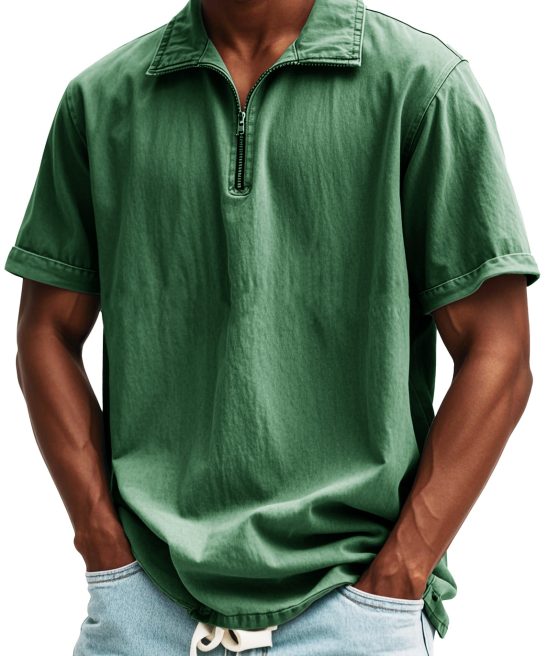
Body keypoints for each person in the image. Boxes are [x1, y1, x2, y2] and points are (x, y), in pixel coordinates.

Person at [4, 0, 541, 654]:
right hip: (147, 610)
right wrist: (102, 545)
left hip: (353, 610)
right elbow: (46, 331)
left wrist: (402, 572)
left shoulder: (421, 88)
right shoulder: (100, 101)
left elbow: (499, 352)